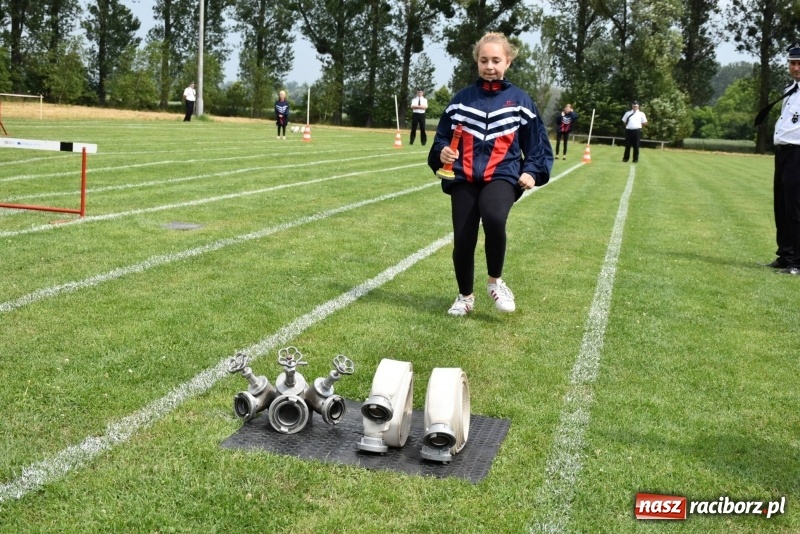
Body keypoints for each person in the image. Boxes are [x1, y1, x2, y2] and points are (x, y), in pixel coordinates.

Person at [428, 32, 553, 316]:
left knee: (494, 217)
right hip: (464, 176)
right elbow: (442, 138)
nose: (489, 66)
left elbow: (538, 145)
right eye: (484, 60)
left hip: (503, 174)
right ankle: (465, 297)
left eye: (496, 60)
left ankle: (495, 282)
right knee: (464, 236)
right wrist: (442, 152)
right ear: (477, 62)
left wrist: (532, 172)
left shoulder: (520, 101)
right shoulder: (461, 100)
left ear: (508, 62)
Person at [763, 42, 800, 275]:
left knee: (796, 207)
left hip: (798, 153)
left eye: (799, 64)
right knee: (782, 206)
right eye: (793, 63)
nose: (796, 68)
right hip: (784, 153)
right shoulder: (790, 90)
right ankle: (785, 255)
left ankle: (798, 261)